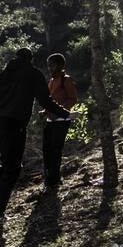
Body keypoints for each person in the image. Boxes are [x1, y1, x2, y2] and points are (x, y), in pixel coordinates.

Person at [0, 49, 68, 221]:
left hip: (1, 123)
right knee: (13, 167)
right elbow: (45, 100)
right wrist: (64, 113)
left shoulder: (5, 73)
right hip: (16, 124)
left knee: (7, 163)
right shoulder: (33, 74)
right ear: (30, 59)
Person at [40, 53, 79, 196]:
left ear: (60, 65)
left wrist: (59, 112)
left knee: (55, 151)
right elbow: (51, 101)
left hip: (62, 121)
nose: (49, 67)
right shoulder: (51, 81)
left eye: (52, 64)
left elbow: (73, 99)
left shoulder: (66, 80)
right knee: (46, 150)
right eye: (48, 64)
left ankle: (53, 181)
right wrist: (45, 111)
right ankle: (49, 178)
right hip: (50, 120)